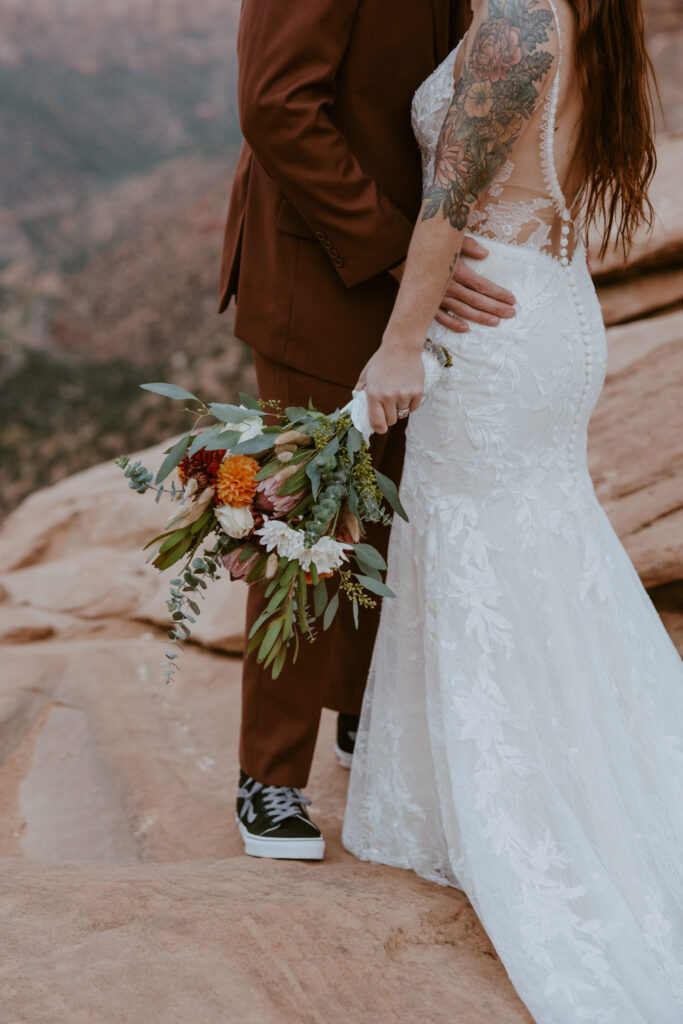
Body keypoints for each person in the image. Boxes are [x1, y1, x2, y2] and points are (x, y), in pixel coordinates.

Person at [343, 0, 683, 1019]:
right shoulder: (587, 14)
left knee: (479, 551)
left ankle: (532, 815)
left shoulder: (522, 18)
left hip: (493, 329)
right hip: (549, 297)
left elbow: (447, 199)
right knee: (539, 547)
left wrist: (398, 342)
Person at [218, 0, 520, 860]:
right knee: (305, 516)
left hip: (419, 269)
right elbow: (275, 107)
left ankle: (362, 716)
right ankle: (268, 775)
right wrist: (395, 249)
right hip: (320, 266)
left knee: (392, 506)